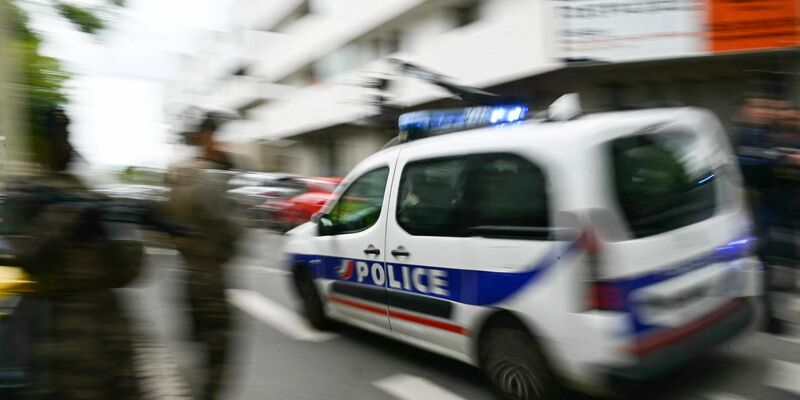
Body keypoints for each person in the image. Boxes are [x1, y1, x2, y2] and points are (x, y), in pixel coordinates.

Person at [4, 108, 143, 399]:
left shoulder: (89, 194)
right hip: (58, 331)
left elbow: (130, 270)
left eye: (66, 136)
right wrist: (65, 220)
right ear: (41, 144)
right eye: (56, 137)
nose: (65, 145)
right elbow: (22, 255)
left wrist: (118, 231)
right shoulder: (25, 194)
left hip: (108, 327)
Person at [167, 113, 241, 400]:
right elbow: (231, 230)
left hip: (188, 275)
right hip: (210, 277)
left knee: (201, 352)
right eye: (217, 135)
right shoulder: (209, 178)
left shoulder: (179, 174)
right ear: (206, 137)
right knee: (218, 357)